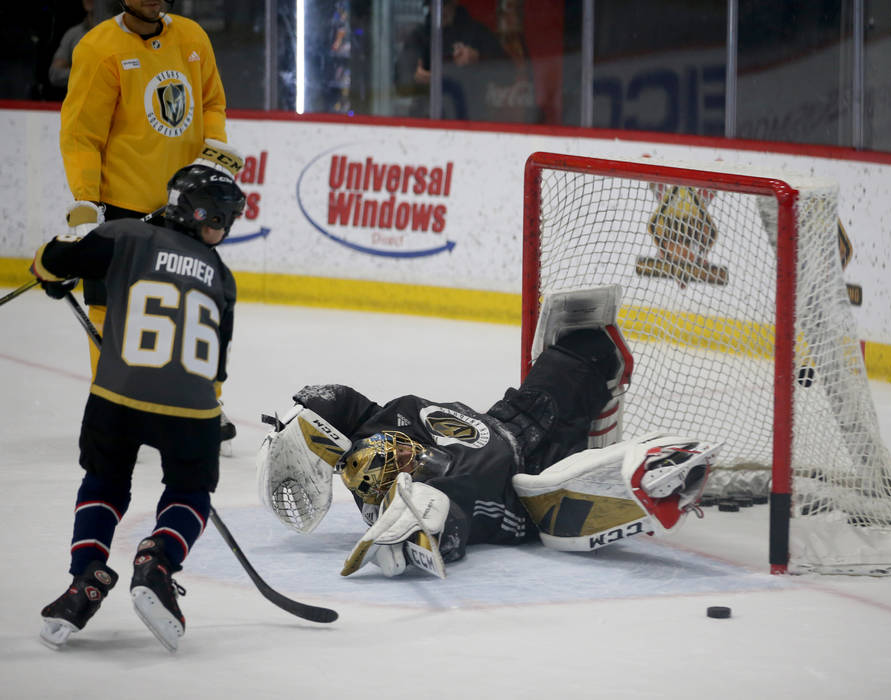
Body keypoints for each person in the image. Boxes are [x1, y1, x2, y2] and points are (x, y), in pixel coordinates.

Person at [256, 286, 721, 579]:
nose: (407, 457)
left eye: (399, 452)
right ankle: (644, 471)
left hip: (517, 414)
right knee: (600, 482)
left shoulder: (378, 422)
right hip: (534, 479)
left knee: (589, 344)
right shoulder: (425, 496)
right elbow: (449, 532)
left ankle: (601, 427)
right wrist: (423, 534)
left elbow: (338, 399)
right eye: (397, 467)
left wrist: (303, 428)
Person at [30, 160, 245, 653]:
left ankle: (85, 579)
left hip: (118, 395)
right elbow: (217, 368)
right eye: (217, 220)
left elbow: (53, 260)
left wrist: (49, 276)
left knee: (104, 483)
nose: (221, 230)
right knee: (191, 494)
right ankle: (159, 559)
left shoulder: (124, 235)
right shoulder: (221, 276)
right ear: (193, 215)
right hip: (192, 407)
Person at [59, 0, 238, 448]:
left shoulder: (192, 37)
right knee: (110, 313)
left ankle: (202, 404)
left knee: (198, 305)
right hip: (123, 210)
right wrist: (86, 202)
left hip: (186, 207)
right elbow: (82, 133)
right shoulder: (99, 49)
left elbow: (212, 102)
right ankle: (115, 407)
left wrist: (211, 152)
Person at [394, 0, 507, 119]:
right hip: (426, 120)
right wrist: (415, 77)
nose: (440, 11)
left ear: (455, 2)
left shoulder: (478, 33)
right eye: (434, 6)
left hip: (469, 120)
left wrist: (478, 58)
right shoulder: (419, 37)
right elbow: (400, 84)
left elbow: (506, 75)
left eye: (445, 4)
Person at [48, 0, 98, 91]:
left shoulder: (121, 34)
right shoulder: (73, 34)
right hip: (79, 101)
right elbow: (55, 74)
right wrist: (85, 74)